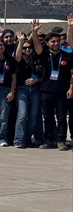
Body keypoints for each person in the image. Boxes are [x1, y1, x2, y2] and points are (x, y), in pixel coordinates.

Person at [30, 20, 72, 149]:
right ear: (47, 43)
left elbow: (72, 73)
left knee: (61, 118)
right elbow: (36, 45)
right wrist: (34, 31)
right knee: (48, 117)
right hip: (46, 90)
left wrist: (70, 27)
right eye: (53, 42)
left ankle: (61, 140)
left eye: (58, 41)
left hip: (62, 91)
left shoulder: (67, 56)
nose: (56, 43)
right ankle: (49, 140)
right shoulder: (44, 55)